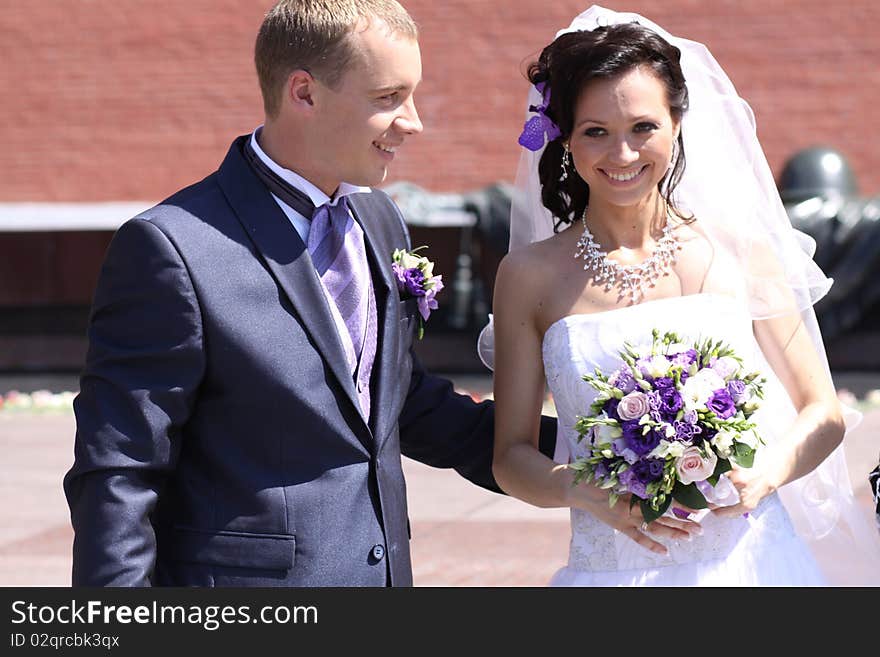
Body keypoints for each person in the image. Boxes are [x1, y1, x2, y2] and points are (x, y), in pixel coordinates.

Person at [63, 0, 556, 587]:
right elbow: (120, 471)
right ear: (304, 93)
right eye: (388, 98)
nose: (414, 121)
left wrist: (598, 452)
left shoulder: (379, 220)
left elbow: (400, 403)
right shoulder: (171, 249)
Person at [483, 5, 880, 585]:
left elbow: (822, 413)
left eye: (643, 128)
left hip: (755, 566)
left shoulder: (742, 249)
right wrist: (586, 492)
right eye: (597, 132)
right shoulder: (527, 276)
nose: (622, 155)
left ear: (676, 124)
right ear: (566, 138)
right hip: (611, 573)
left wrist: (767, 473)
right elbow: (511, 457)